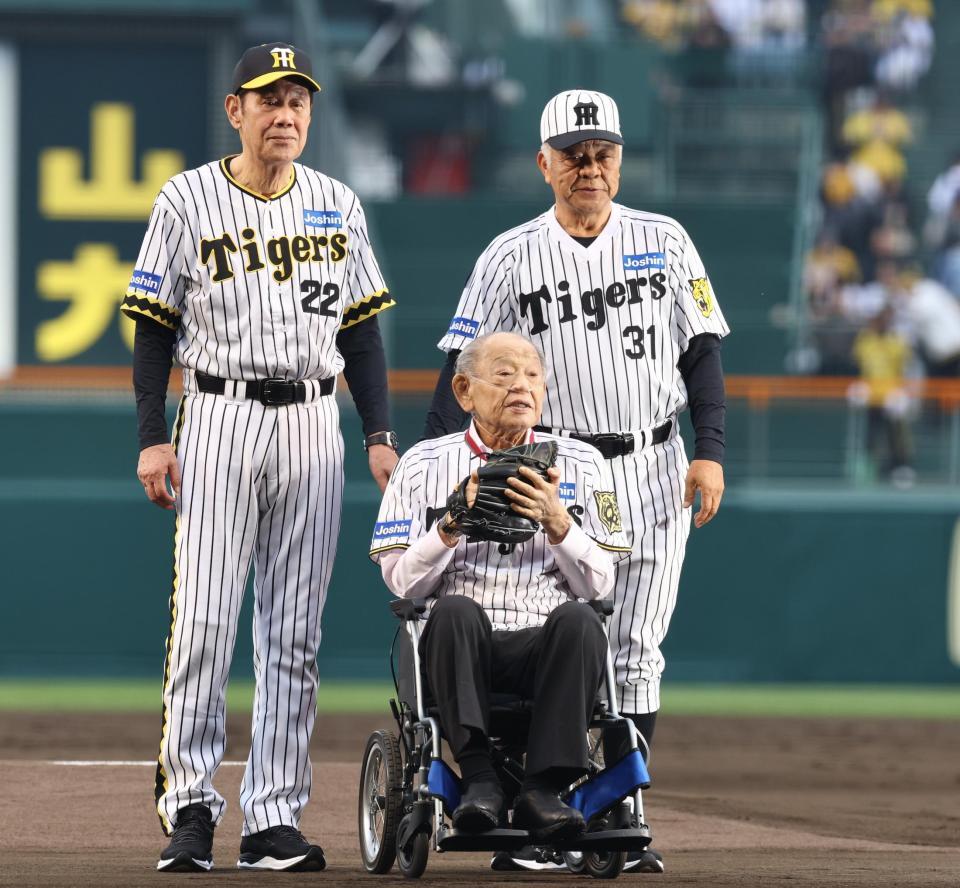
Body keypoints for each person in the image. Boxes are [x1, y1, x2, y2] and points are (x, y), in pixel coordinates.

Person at [424, 89, 729, 873]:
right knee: (556, 641)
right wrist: (437, 465)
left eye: (603, 154)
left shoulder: (665, 241)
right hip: (549, 470)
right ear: (544, 163)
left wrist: (711, 448)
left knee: (634, 648)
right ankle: (545, 812)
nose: (590, 168)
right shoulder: (510, 254)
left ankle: (618, 814)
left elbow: (701, 354)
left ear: (620, 160)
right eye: (573, 155)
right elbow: (458, 363)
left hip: (655, 461)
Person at [121, 42, 400, 873]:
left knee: (294, 635)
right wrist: (150, 434)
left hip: (315, 420)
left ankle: (273, 817)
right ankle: (191, 809)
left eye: (298, 103)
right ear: (234, 111)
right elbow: (153, 326)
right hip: (219, 412)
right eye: (268, 100)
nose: (285, 115)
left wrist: (378, 436)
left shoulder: (337, 204)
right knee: (204, 621)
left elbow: (362, 334)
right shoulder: (187, 199)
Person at [371, 332, 630, 844]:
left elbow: (602, 582)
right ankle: (481, 779)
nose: (522, 386)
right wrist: (450, 523)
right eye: (505, 373)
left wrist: (560, 524)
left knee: (582, 619)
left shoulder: (584, 463)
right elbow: (401, 583)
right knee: (454, 610)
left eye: (533, 375)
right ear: (464, 391)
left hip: (546, 644)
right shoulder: (422, 464)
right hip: (460, 646)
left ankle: (543, 789)